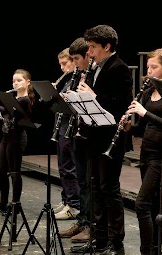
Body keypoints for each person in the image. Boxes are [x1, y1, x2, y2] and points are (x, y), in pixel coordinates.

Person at [72, 24, 133, 255]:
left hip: (111, 139)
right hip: (95, 137)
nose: (89, 52)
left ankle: (115, 243)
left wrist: (94, 97)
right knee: (96, 188)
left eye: (93, 47)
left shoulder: (120, 68)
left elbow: (121, 104)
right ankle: (99, 239)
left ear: (107, 46)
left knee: (109, 189)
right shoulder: (97, 67)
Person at [122, 48, 162, 255]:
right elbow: (142, 127)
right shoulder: (148, 92)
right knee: (153, 206)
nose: (149, 71)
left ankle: (146, 251)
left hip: (160, 155)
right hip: (145, 152)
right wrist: (130, 127)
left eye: (154, 67)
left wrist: (144, 112)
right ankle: (155, 250)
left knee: (141, 204)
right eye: (148, 67)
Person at [58, 37, 94, 243]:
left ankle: (89, 224)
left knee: (88, 183)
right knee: (81, 179)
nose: (74, 63)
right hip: (77, 133)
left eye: (76, 59)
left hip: (90, 134)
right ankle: (82, 221)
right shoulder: (79, 75)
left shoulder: (93, 73)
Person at [0, 69, 35, 213]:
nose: (16, 83)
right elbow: (2, 110)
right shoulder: (12, 99)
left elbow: (10, 111)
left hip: (17, 139)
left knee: (14, 172)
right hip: (6, 138)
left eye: (19, 80)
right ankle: (3, 203)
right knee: (1, 171)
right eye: (14, 81)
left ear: (28, 82)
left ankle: (15, 204)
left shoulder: (25, 100)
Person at [51, 48, 81, 220]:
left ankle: (74, 205)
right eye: (60, 64)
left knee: (69, 167)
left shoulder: (77, 80)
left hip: (69, 128)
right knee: (62, 166)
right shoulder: (67, 80)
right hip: (60, 125)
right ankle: (67, 199)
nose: (62, 68)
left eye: (65, 64)